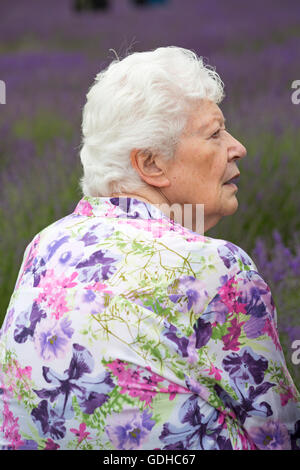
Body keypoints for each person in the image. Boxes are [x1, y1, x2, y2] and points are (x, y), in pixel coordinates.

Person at [0, 46, 299, 451]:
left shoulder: (45, 244)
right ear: (152, 164)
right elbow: (280, 436)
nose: (238, 146)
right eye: (214, 134)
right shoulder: (214, 267)